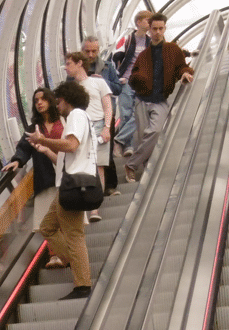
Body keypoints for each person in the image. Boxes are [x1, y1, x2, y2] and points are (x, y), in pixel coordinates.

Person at [25, 81, 98, 300]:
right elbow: (64, 157)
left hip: (73, 185)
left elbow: (71, 145)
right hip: (68, 183)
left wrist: (43, 138)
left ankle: (82, 284)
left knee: (74, 235)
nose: (58, 104)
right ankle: (75, 263)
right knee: (47, 227)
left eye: (58, 100)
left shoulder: (75, 115)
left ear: (66, 99)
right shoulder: (79, 118)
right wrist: (46, 149)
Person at [123, 13, 195, 181]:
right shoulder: (143, 55)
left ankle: (131, 165)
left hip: (160, 99)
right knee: (143, 138)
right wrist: (139, 79)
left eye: (160, 29)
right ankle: (148, 172)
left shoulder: (173, 49)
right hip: (141, 99)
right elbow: (134, 75)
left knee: (155, 131)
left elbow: (182, 67)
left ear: (165, 28)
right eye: (154, 29)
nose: (157, 32)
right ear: (149, 29)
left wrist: (185, 74)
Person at [62, 51, 113, 220]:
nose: (66, 67)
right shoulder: (70, 89)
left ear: (79, 64)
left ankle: (94, 208)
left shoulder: (98, 82)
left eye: (69, 63)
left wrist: (107, 127)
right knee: (84, 166)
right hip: (81, 127)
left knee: (99, 166)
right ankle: (85, 206)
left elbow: (107, 106)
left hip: (98, 125)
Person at [2, 87, 64, 194]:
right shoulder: (33, 129)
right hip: (46, 181)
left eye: (43, 99)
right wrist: (17, 160)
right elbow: (24, 148)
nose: (39, 103)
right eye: (36, 101)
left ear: (51, 100)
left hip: (66, 175)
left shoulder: (63, 121)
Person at [82, 36, 121, 195]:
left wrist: (102, 82)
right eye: (87, 51)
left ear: (99, 50)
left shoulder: (107, 67)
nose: (91, 55)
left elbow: (117, 89)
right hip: (85, 115)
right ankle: (93, 188)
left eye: (94, 51)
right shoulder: (77, 68)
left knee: (106, 148)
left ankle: (109, 186)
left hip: (105, 115)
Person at [112, 11, 154, 156]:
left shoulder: (151, 41)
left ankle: (118, 140)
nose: (150, 23)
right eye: (148, 20)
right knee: (125, 114)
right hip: (127, 81)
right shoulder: (128, 39)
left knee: (138, 114)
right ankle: (127, 147)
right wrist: (119, 75)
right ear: (138, 22)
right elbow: (116, 57)